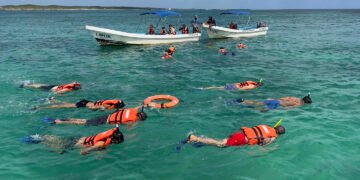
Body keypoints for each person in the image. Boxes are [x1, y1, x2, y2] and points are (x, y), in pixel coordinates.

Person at [21, 126, 124, 155]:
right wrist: (87, 152)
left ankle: (40, 137)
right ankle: (36, 140)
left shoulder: (104, 136)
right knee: (58, 149)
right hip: (74, 144)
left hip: (77, 138)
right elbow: (83, 152)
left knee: (58, 141)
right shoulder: (101, 143)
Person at [187, 124, 285, 147]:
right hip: (242, 139)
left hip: (240, 133)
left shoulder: (266, 126)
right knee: (220, 144)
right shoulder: (273, 137)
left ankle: (201, 141)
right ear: (279, 134)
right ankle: (195, 138)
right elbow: (263, 144)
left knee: (222, 144)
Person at [43, 107, 147, 126]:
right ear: (139, 118)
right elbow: (128, 126)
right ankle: (59, 122)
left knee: (85, 120)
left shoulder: (133, 111)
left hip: (107, 116)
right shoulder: (132, 120)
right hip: (105, 121)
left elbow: (136, 107)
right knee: (85, 122)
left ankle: (64, 119)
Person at [236, 94, 312, 111]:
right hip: (277, 104)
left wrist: (275, 99)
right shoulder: (299, 104)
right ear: (305, 102)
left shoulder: (295, 98)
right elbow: (287, 108)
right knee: (263, 110)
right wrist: (281, 109)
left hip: (275, 100)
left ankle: (244, 101)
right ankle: (245, 106)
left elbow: (285, 97)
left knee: (259, 102)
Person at [35, 99, 125, 111]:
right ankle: (40, 108)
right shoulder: (107, 105)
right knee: (63, 106)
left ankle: (53, 100)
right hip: (84, 104)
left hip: (85, 102)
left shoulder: (110, 102)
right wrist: (97, 109)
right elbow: (92, 107)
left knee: (68, 104)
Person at [198, 80, 263, 91]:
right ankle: (203, 89)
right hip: (235, 87)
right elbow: (244, 88)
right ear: (258, 86)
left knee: (217, 87)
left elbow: (240, 83)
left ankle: (203, 88)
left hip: (234, 84)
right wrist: (235, 90)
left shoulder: (250, 81)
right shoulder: (252, 86)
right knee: (218, 89)